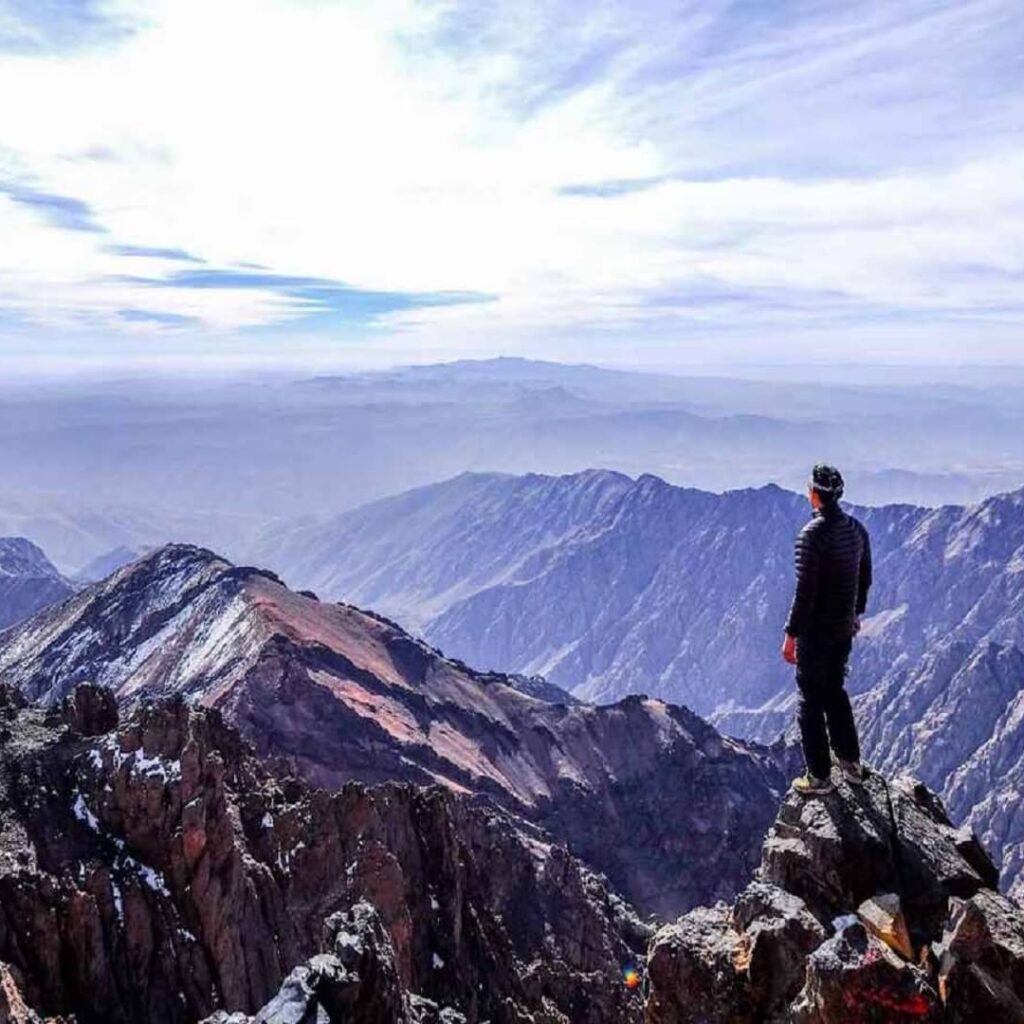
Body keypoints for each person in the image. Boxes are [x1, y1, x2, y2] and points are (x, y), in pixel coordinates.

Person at [781, 464, 872, 796]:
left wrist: (791, 635)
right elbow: (864, 579)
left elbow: (804, 593)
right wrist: (856, 614)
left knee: (809, 700)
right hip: (843, 631)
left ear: (814, 494)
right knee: (836, 692)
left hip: (816, 634)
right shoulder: (857, 530)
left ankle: (819, 776)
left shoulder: (811, 536)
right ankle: (851, 764)